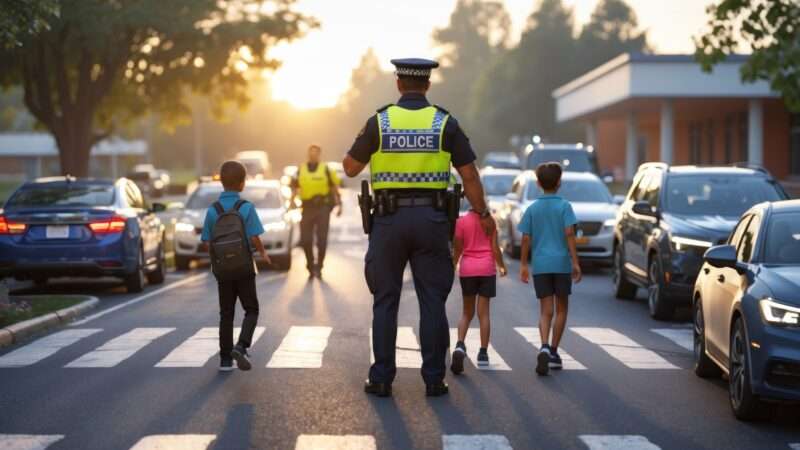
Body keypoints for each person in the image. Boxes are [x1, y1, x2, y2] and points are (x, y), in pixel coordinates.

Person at [342, 58, 496, 397]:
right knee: (432, 302)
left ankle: (381, 378)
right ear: (427, 85)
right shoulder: (444, 123)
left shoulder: (380, 122)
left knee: (385, 301)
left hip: (388, 223)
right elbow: (469, 174)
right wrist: (482, 213)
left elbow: (350, 168)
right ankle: (434, 379)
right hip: (432, 222)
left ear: (399, 84)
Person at [201, 160, 269, 372]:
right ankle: (241, 345)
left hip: (223, 270)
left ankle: (225, 360)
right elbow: (255, 237)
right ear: (242, 183)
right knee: (251, 309)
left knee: (226, 313)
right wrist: (263, 253)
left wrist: (217, 258)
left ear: (221, 182)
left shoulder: (213, 210)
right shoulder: (246, 207)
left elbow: (206, 241)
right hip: (245, 267)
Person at [518, 162, 582, 376]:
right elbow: (570, 234)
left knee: (545, 311)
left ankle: (543, 345)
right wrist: (575, 262)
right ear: (559, 182)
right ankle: (554, 350)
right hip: (562, 264)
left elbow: (525, 238)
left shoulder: (532, 208)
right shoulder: (565, 206)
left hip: (542, 265)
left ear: (538, 183)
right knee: (562, 309)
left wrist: (523, 265)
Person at [450, 206, 507, 374]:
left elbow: (458, 248)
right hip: (486, 269)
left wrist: (454, 264)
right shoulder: (490, 222)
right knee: (484, 314)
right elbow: (495, 249)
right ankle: (483, 353)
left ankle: (460, 345)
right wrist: (502, 267)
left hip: (468, 270)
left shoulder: (461, 222)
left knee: (467, 313)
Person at [290, 144, 342, 278]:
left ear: (319, 154)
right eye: (311, 152)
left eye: (315, 152)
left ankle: (319, 266)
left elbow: (334, 187)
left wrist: (339, 204)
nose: (313, 154)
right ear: (308, 154)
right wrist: (291, 202)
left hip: (322, 208)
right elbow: (294, 187)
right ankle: (310, 265)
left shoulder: (326, 169)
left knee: (321, 240)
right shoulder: (300, 169)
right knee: (305, 240)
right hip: (306, 208)